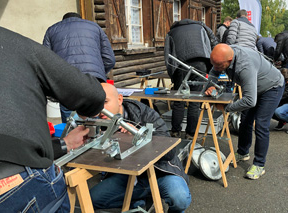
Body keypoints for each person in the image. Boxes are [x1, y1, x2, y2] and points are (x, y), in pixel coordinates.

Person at [0, 24, 105, 212]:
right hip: (9, 184)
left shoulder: (52, 30)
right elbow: (92, 94)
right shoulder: (9, 40)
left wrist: (63, 144)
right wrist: (88, 107)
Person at [90, 83, 191, 212]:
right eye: (97, 104)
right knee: (93, 199)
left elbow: (170, 152)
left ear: (119, 99)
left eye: (105, 102)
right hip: (128, 176)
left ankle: (141, 198)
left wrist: (141, 135)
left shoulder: (145, 114)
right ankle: (138, 202)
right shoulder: (99, 120)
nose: (100, 110)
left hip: (160, 172)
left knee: (180, 199)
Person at [205, 44, 284, 180]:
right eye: (214, 64)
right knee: (245, 121)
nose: (216, 68)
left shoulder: (244, 66)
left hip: (272, 87)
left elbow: (250, 101)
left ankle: (259, 164)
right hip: (255, 87)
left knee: (261, 124)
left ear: (229, 60)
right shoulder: (223, 57)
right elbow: (213, 73)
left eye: (218, 66)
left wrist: (226, 108)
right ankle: (242, 152)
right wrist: (211, 85)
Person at [43, 12, 115, 123]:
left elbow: (46, 61)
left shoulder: (52, 30)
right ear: (81, 19)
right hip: (93, 80)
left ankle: (72, 136)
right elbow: (109, 59)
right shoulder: (94, 27)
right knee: (94, 117)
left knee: (70, 122)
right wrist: (98, 74)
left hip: (66, 81)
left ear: (63, 20)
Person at [164, 18, 218, 139]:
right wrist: (209, 68)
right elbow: (212, 46)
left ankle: (175, 132)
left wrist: (173, 76)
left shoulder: (171, 32)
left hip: (180, 65)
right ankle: (191, 133)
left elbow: (168, 56)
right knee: (195, 99)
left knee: (179, 99)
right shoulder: (200, 28)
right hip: (200, 63)